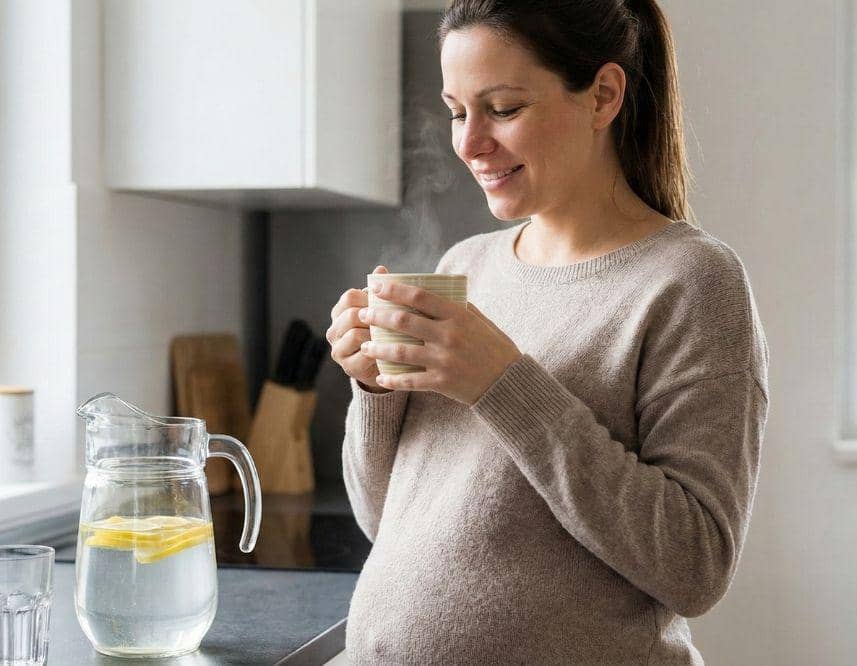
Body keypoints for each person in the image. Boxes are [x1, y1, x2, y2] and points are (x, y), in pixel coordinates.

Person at [324, 0, 769, 663]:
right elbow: (385, 522)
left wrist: (503, 383)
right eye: (456, 111)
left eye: (502, 108)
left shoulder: (690, 281)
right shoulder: (464, 267)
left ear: (603, 96)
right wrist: (375, 389)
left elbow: (694, 565)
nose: (470, 143)